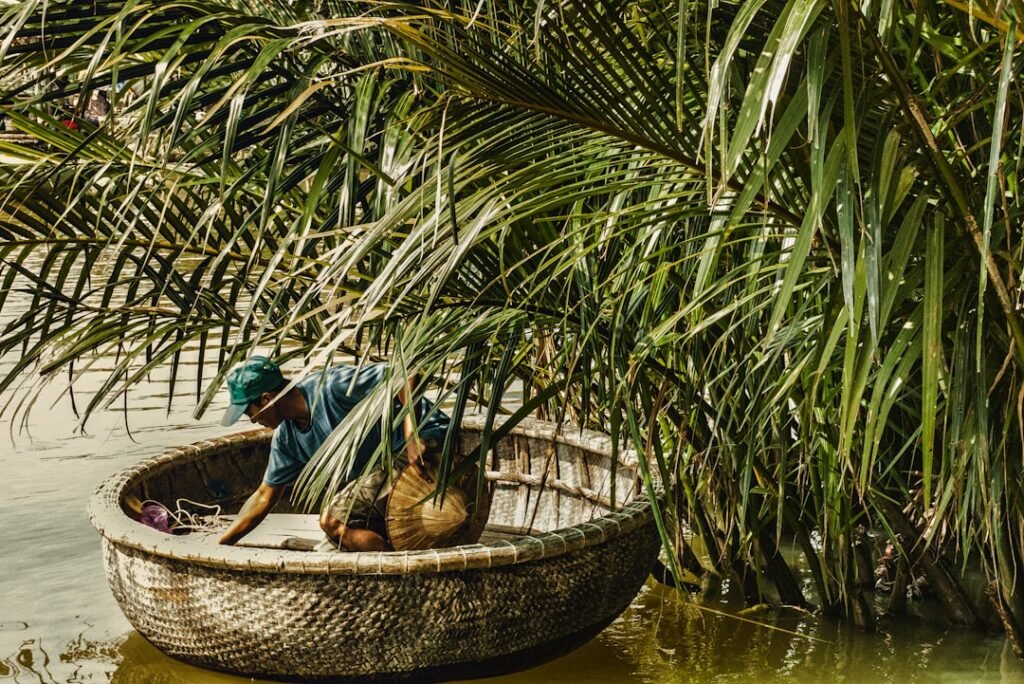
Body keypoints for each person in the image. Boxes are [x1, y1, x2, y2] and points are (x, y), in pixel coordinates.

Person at [216, 356, 449, 550]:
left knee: (332, 520)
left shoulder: (332, 387)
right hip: (382, 475)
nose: (253, 420)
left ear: (266, 400)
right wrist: (223, 544)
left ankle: (404, 574)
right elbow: (264, 496)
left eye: (250, 413)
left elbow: (404, 371)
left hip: (429, 442)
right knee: (334, 542)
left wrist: (412, 433)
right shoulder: (286, 439)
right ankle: (395, 556)